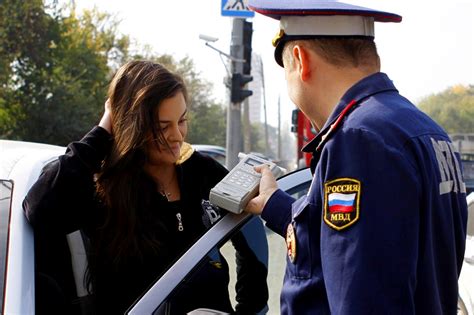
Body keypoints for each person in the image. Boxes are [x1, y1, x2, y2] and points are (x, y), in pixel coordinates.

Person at [244, 0, 468, 314]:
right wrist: (275, 203)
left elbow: (362, 298)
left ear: (299, 59)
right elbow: (358, 239)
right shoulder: (423, 128)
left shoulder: (359, 139)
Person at [23, 60, 268, 315]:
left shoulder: (202, 171)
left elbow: (250, 229)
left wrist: (252, 308)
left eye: (181, 120)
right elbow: (39, 209)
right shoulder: (102, 187)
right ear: (133, 126)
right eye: (163, 127)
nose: (177, 135)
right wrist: (103, 129)